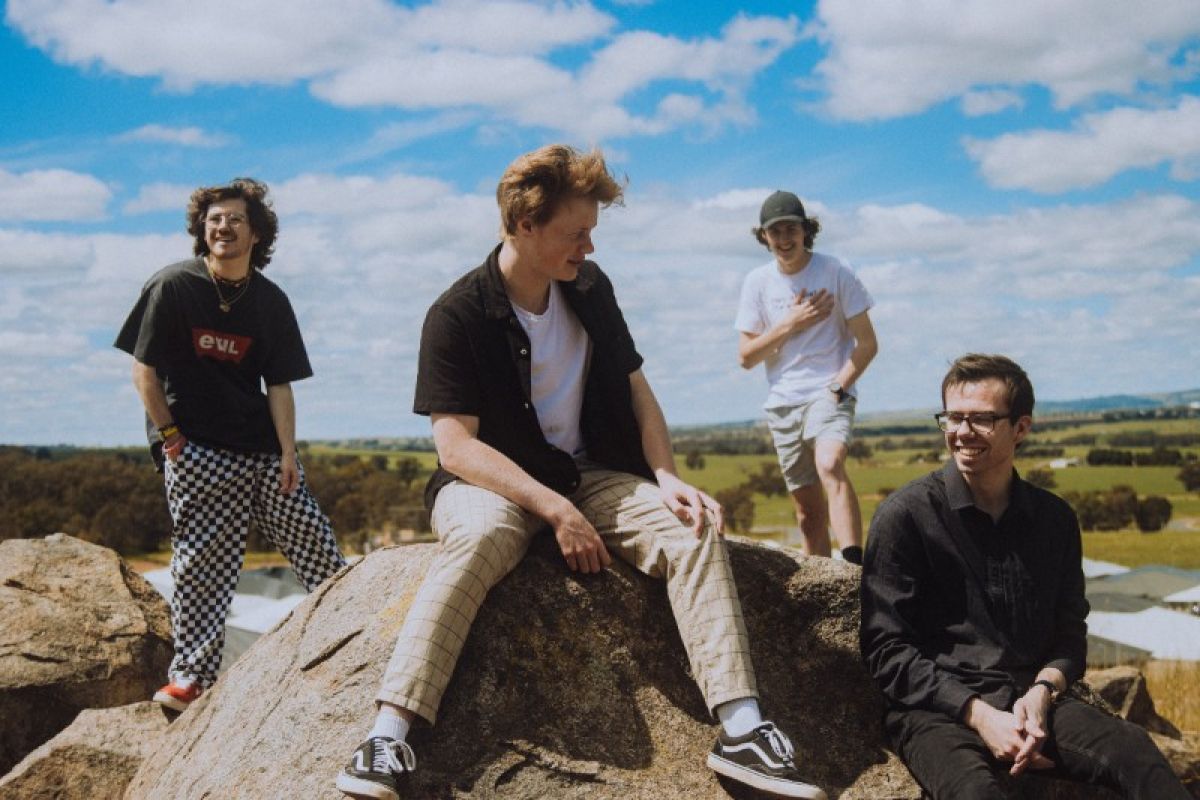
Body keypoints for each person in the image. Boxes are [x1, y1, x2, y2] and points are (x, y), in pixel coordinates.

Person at [335, 145, 825, 800]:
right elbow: (455, 448)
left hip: (592, 473)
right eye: (576, 233)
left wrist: (666, 476)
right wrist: (553, 510)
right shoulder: (455, 315)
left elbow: (635, 388)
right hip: (489, 482)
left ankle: (743, 728)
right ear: (524, 224)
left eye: (591, 232)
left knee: (690, 529)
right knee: (479, 539)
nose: (588, 248)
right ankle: (387, 739)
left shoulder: (591, 290)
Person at [860, 354, 1188, 799]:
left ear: (1021, 427)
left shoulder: (1054, 520)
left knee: (1134, 751)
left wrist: (1040, 695)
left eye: (981, 419)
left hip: (1029, 701)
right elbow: (886, 650)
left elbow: (1069, 636)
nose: (961, 432)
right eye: (953, 417)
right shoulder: (905, 517)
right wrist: (978, 715)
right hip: (936, 711)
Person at [114, 178, 346, 712]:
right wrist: (171, 436)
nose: (222, 227)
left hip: (264, 451)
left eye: (235, 219)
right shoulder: (173, 286)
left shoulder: (270, 301)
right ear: (202, 229)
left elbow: (279, 385)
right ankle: (190, 679)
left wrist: (289, 453)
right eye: (214, 219)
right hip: (198, 451)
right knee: (203, 566)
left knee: (319, 550)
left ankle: (357, 644)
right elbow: (143, 372)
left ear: (256, 232)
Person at [734, 191, 877, 564]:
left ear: (806, 230)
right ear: (763, 237)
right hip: (782, 403)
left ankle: (852, 569)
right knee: (808, 514)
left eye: (791, 229)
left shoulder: (836, 271)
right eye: (775, 231)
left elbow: (868, 344)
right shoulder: (757, 282)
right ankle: (820, 585)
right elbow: (747, 357)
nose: (784, 239)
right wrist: (789, 324)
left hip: (829, 390)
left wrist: (837, 387)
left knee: (830, 464)